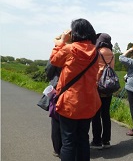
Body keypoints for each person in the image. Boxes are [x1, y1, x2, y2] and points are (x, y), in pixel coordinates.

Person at [50, 18, 101, 161]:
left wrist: (61, 41)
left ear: (75, 33)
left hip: (70, 102)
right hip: (89, 102)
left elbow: (54, 60)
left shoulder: (69, 49)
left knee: (68, 141)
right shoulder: (96, 53)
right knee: (83, 139)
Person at [90, 33, 115, 150]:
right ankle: (106, 141)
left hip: (98, 88)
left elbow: (98, 69)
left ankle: (97, 141)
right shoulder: (112, 53)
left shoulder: (97, 52)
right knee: (106, 114)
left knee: (96, 115)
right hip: (108, 87)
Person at [45, 61, 62, 157]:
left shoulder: (58, 51)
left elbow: (49, 70)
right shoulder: (79, 50)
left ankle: (58, 148)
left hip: (57, 87)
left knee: (56, 119)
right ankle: (68, 146)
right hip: (75, 90)